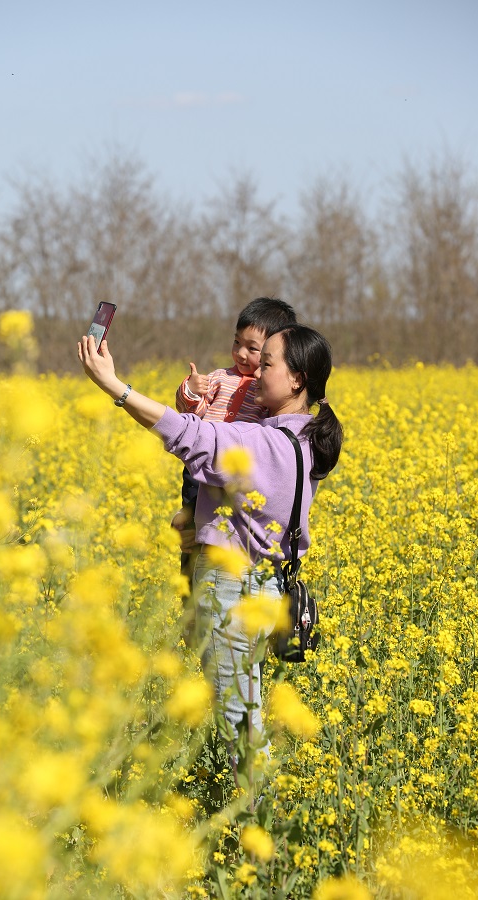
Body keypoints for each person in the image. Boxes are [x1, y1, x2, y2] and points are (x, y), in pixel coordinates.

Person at [77, 324, 343, 762]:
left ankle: (261, 821)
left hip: (232, 593)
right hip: (266, 592)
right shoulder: (307, 440)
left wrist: (114, 386)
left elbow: (187, 433)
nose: (255, 371)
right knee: (247, 719)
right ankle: (262, 817)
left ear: (297, 379)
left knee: (241, 732)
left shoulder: (262, 444)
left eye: (268, 363)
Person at [172, 297, 297, 576]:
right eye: (236, 342)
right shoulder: (219, 377)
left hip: (236, 471)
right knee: (191, 522)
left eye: (252, 348)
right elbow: (192, 411)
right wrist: (191, 390)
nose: (240, 353)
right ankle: (189, 575)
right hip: (203, 462)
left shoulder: (267, 389)